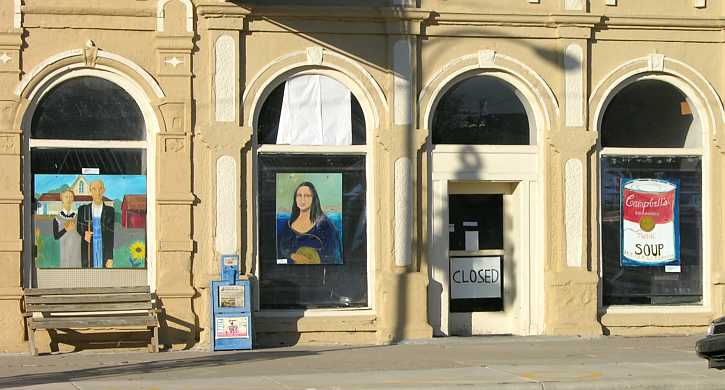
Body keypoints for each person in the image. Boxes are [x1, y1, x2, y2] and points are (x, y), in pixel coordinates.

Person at [277, 181, 342, 264]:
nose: (302, 199)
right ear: (295, 199)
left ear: (313, 199)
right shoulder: (289, 224)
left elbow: (333, 256)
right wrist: (294, 256)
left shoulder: (325, 225)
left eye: (307, 196)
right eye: (299, 195)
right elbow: (282, 250)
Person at [77, 180, 114, 268]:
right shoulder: (83, 209)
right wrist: (84, 233)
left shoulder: (110, 211)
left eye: (100, 189)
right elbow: (79, 227)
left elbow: (111, 235)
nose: (97, 192)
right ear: (90, 191)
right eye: (94, 189)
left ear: (104, 190)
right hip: (88, 247)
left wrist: (110, 257)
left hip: (103, 248)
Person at [52, 189, 82, 268]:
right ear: (62, 198)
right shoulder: (57, 218)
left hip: (76, 251)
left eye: (71, 197)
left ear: (73, 199)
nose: (69, 199)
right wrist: (66, 229)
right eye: (66, 197)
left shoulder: (78, 217)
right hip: (65, 251)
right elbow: (56, 236)